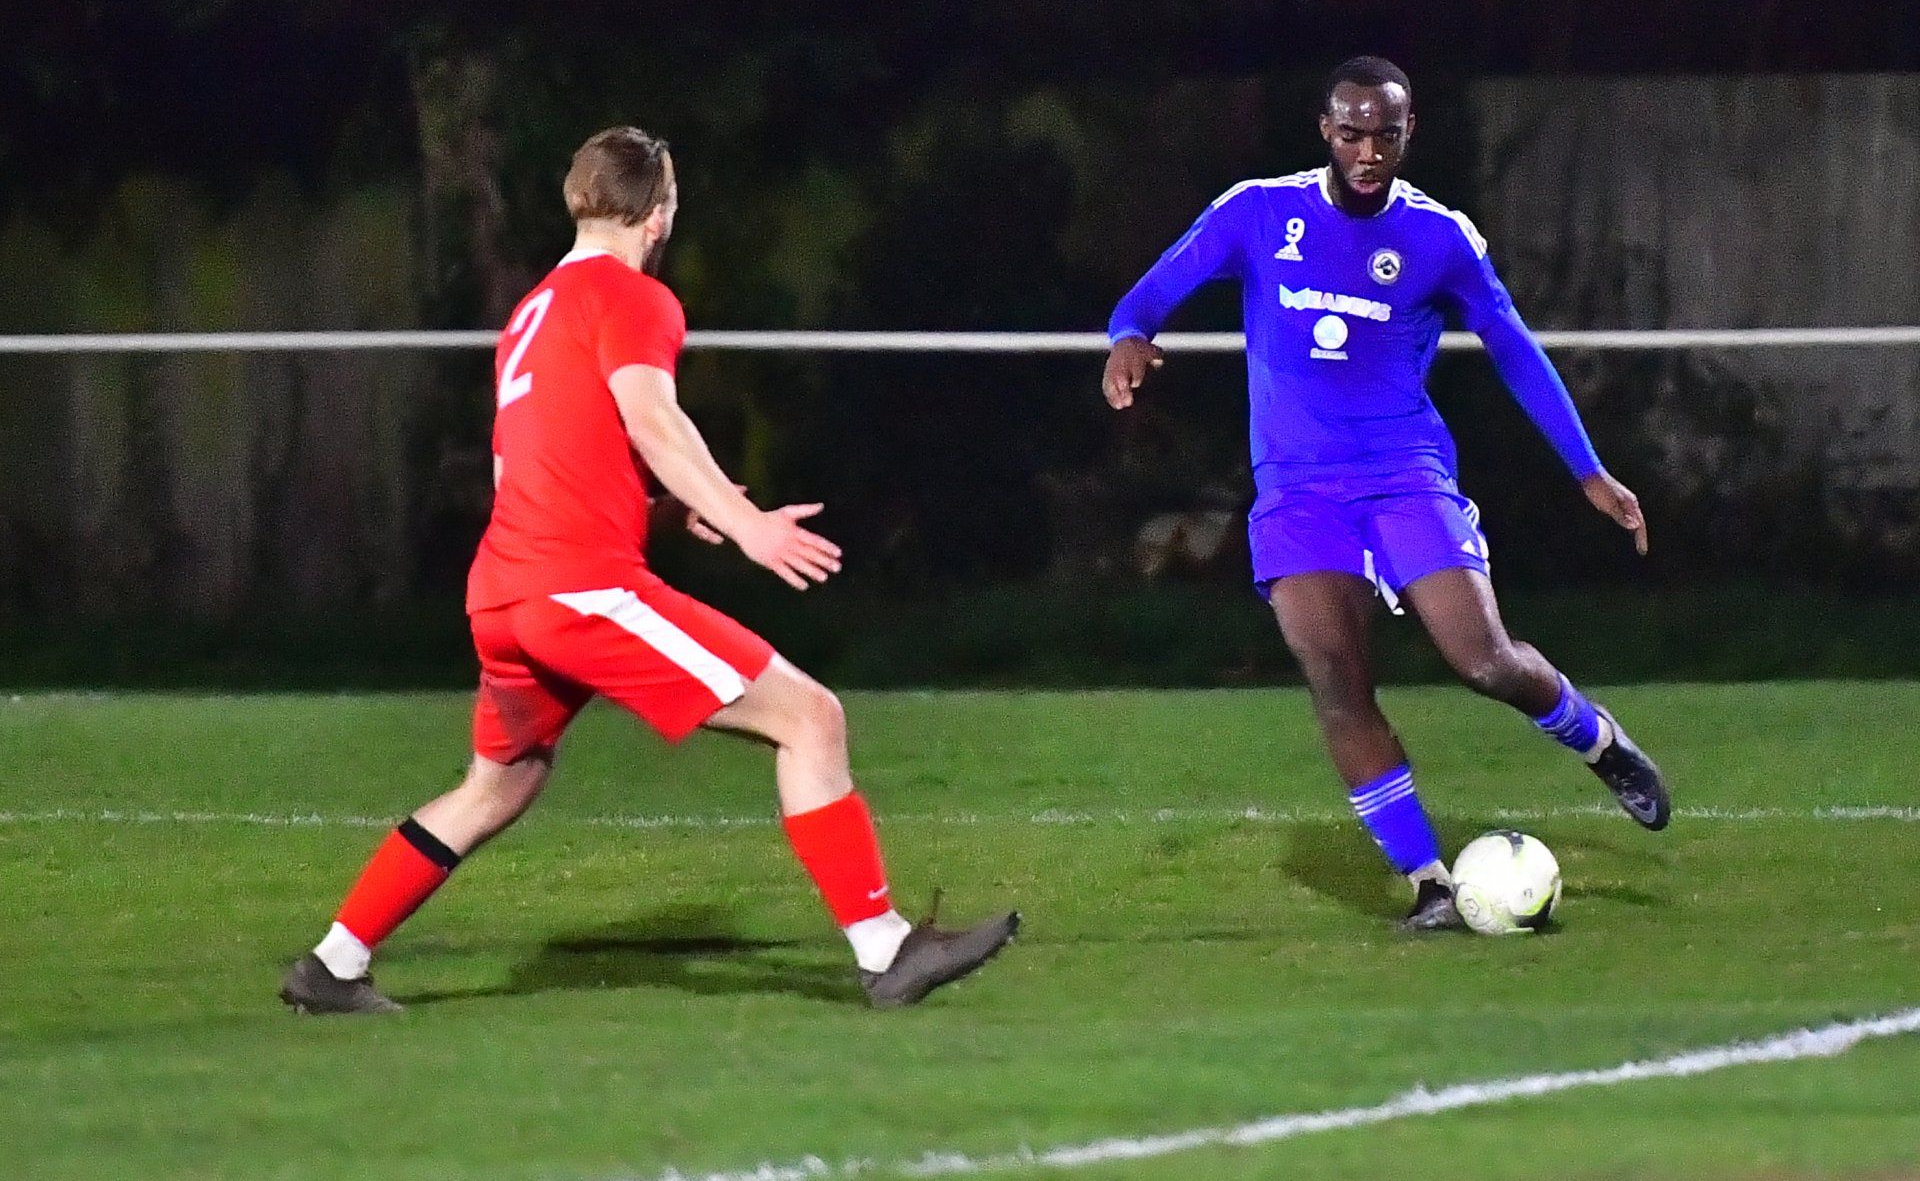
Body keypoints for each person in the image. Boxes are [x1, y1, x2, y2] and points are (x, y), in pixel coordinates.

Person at [281, 127, 1017, 1011]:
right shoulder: (631, 295)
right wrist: (748, 527)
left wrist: (664, 511)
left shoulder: (531, 313)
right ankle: (885, 948)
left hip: (504, 592)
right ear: (658, 215)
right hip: (576, 588)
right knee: (811, 717)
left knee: (499, 783)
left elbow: (540, 463)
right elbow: (654, 420)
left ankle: (333, 962)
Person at [1102, 57, 1670, 930]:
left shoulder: (1439, 237)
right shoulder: (1259, 212)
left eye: (1387, 135)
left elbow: (1513, 346)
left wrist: (1587, 468)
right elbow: (1148, 295)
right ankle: (1430, 883)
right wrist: (1128, 336)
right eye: (1353, 133)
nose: (1369, 152)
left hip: (1406, 477)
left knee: (1484, 661)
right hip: (1298, 493)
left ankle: (1593, 735)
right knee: (1336, 677)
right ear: (1325, 132)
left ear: (1409, 135)